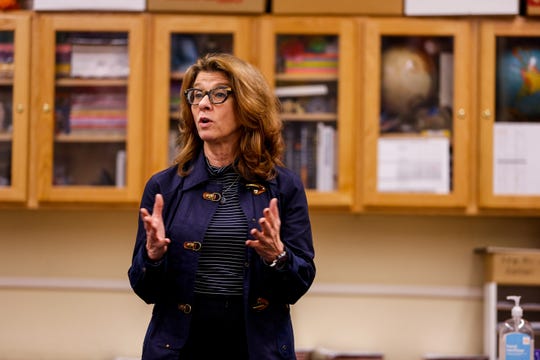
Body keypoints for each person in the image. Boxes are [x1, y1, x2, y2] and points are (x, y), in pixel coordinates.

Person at [128, 52, 316, 360]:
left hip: (255, 349)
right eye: (196, 95)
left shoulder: (284, 187)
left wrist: (278, 257)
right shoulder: (164, 188)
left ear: (247, 106)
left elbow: (298, 285)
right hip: (180, 350)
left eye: (218, 95)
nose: (203, 104)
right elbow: (144, 290)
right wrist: (153, 256)